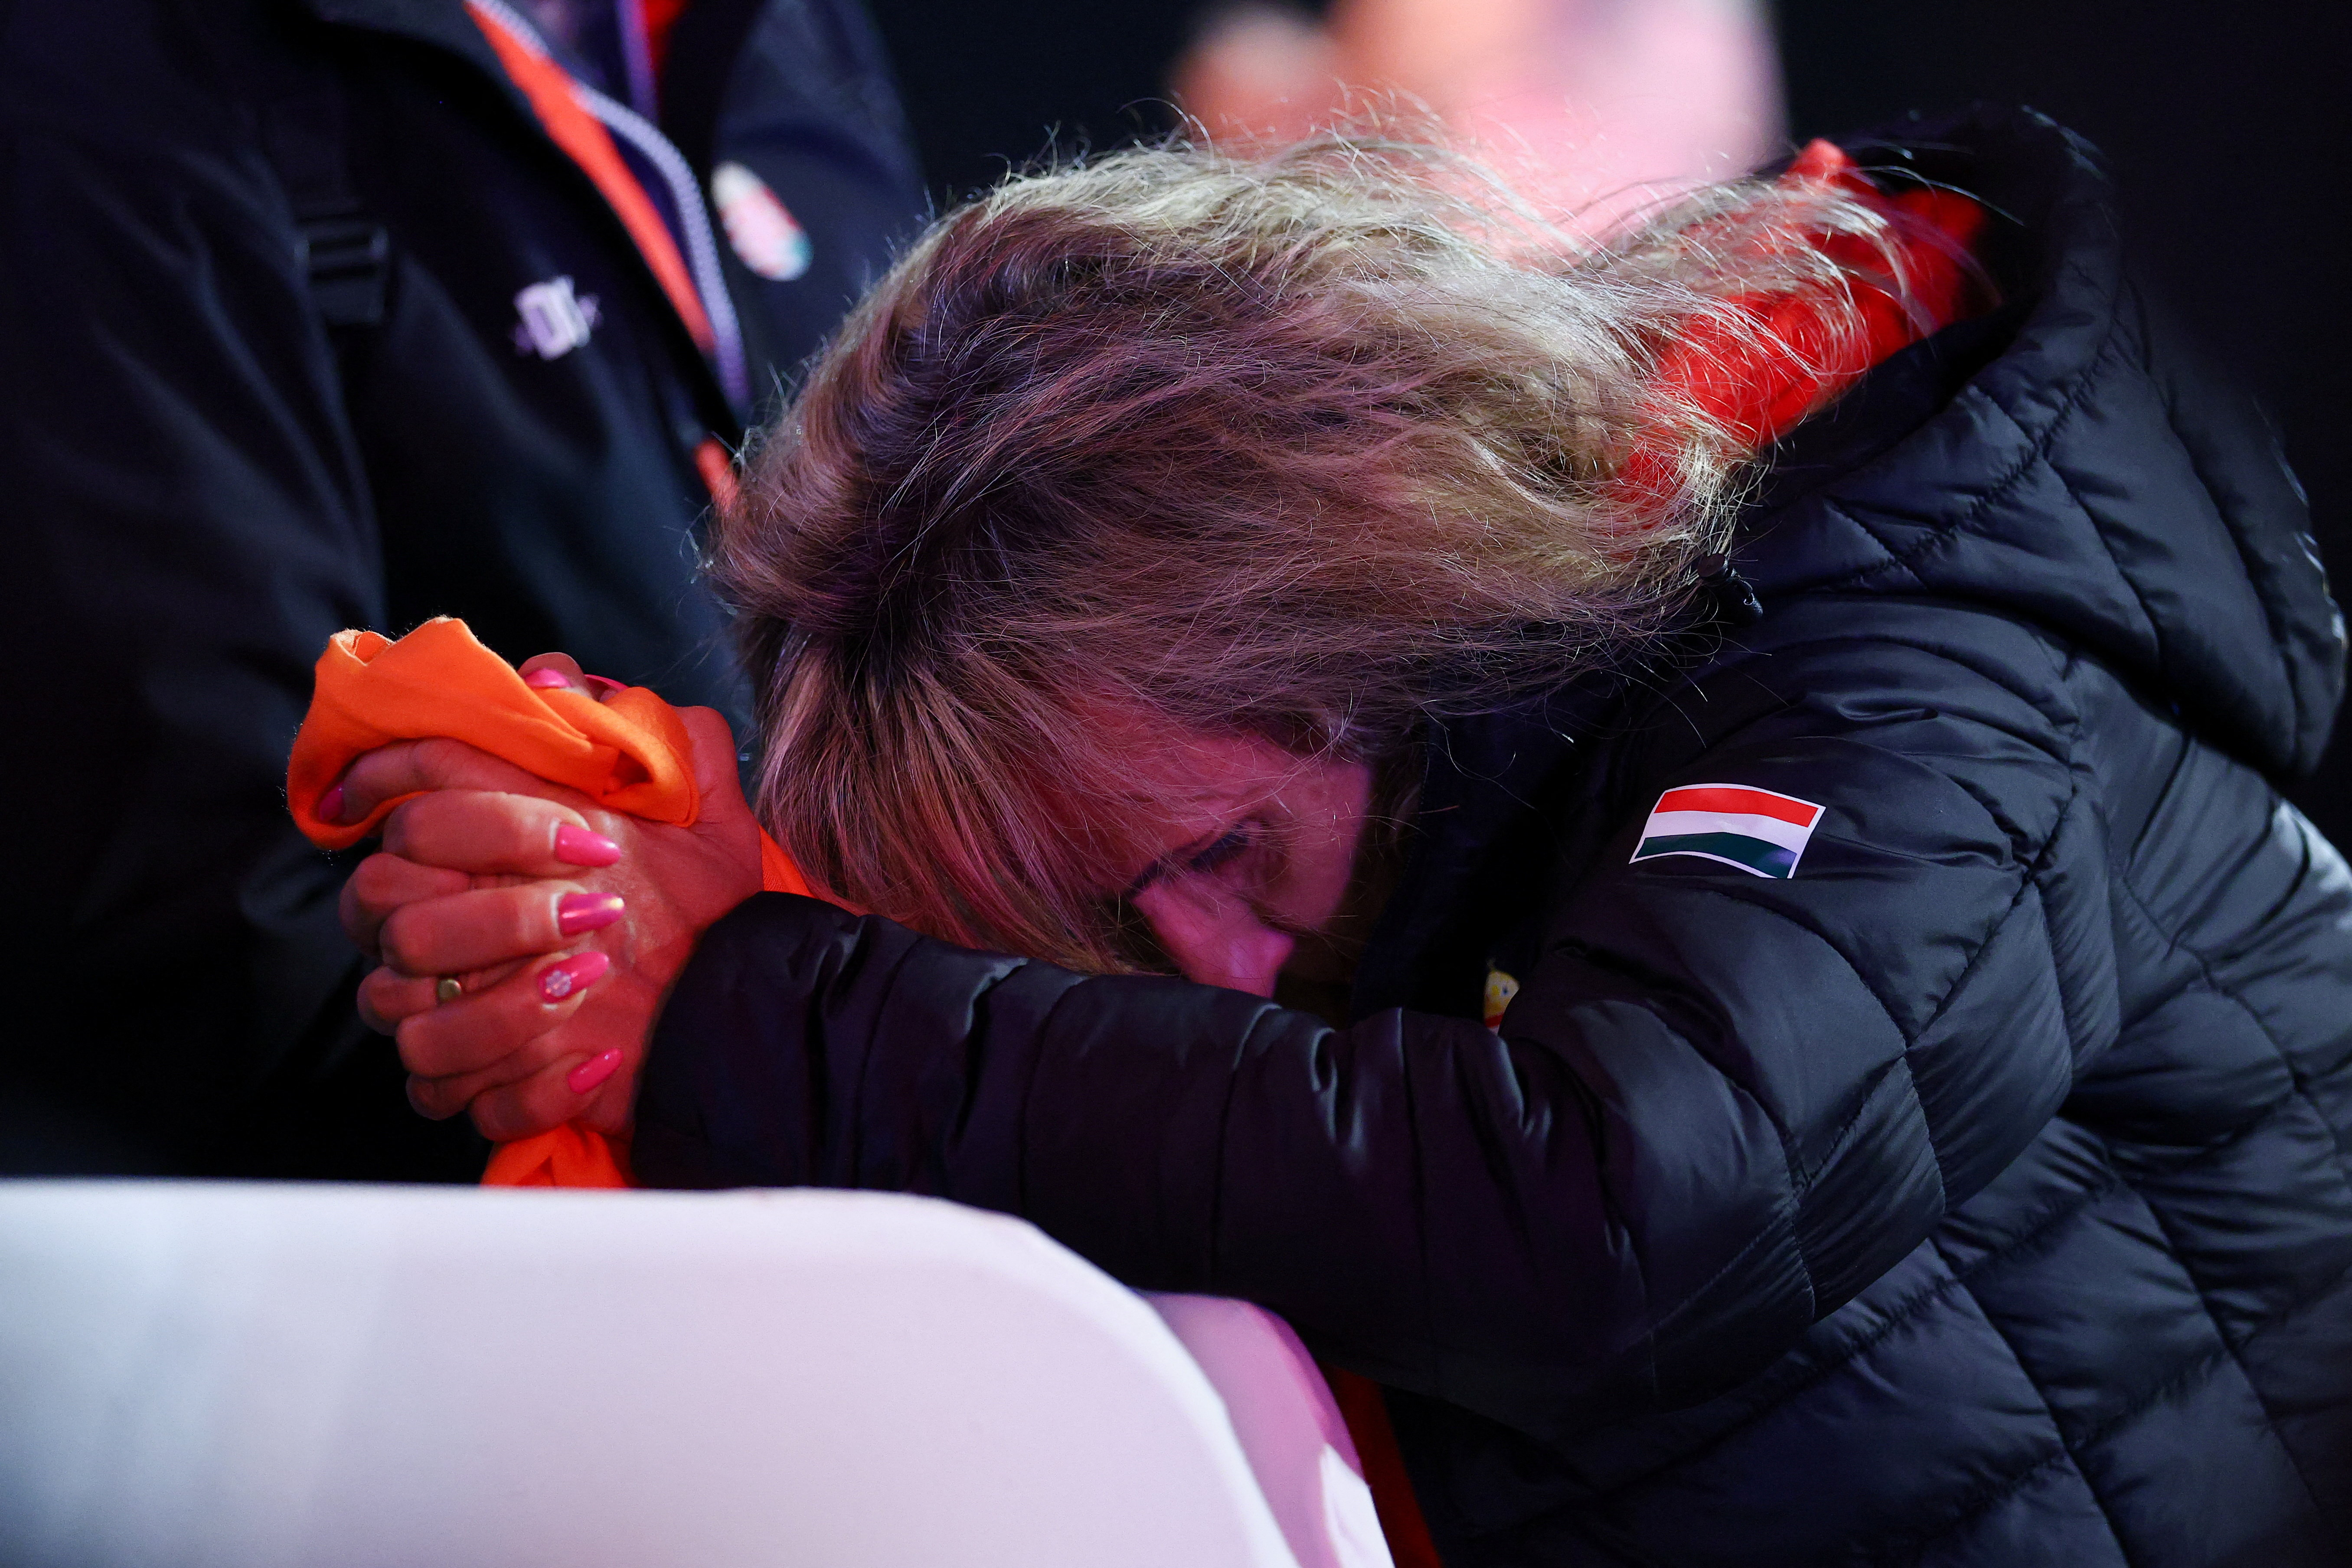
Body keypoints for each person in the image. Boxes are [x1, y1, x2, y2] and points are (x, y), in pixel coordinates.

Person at [331, 107, 2349, 1562]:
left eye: (1205, 856)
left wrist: (743, 1014)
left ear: (1340, 593)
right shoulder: (1513, 721)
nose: (1210, 971)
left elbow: (1616, 1203)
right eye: (1089, 937)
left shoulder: (1910, 616)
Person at [0, 0, 923, 1177]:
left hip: (916, 1185)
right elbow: (210, 951)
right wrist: (740, 1051)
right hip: (478, 1288)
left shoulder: (788, 29)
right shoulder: (97, 78)